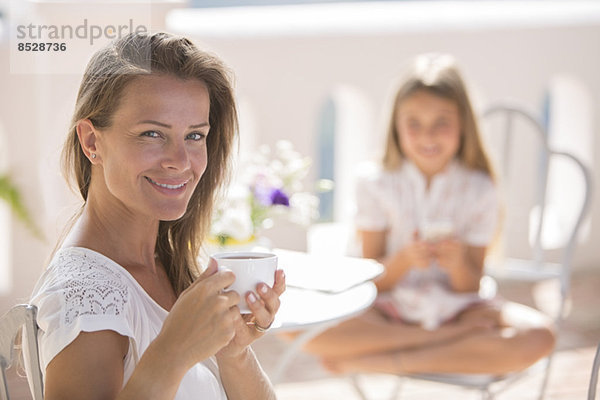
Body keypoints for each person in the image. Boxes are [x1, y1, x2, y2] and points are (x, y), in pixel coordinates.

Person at [28, 32, 285, 399]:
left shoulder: (170, 266)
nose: (180, 162)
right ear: (91, 142)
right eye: (152, 133)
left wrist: (234, 354)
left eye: (195, 136)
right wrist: (173, 351)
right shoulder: (84, 300)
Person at [305, 53, 555, 376]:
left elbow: (470, 285)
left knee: (539, 336)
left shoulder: (480, 187)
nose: (427, 135)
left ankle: (380, 361)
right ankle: (448, 342)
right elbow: (373, 279)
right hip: (385, 309)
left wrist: (457, 263)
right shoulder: (374, 181)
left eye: (442, 123)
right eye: (414, 124)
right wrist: (406, 259)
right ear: (396, 125)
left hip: (458, 309)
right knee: (296, 325)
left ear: (463, 123)